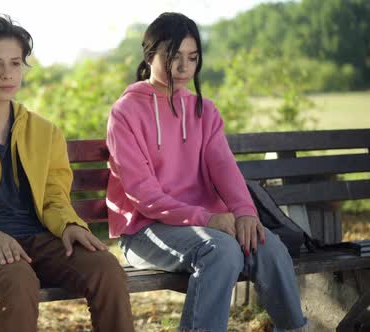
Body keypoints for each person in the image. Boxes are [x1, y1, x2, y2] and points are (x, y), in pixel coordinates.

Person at [0, 14, 134, 332]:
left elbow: (54, 195)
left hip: (38, 239)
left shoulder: (44, 131)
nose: (7, 74)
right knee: (17, 277)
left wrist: (70, 225)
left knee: (106, 268)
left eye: (16, 63)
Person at [106, 12, 308, 332]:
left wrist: (244, 213)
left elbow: (224, 167)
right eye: (174, 57)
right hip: (145, 231)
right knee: (221, 250)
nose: (184, 67)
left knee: (266, 244)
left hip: (205, 226)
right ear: (149, 55)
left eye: (193, 57)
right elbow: (142, 194)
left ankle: (296, 328)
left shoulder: (204, 110)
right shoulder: (126, 112)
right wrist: (206, 218)